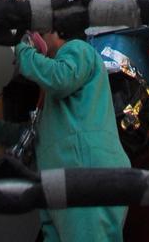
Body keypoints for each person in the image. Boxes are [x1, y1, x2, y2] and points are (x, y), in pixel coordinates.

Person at [15, 26, 129, 241]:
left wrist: (22, 50)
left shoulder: (77, 50)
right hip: (63, 180)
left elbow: (60, 78)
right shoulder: (50, 98)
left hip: (83, 172)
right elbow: (30, 132)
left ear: (55, 30)